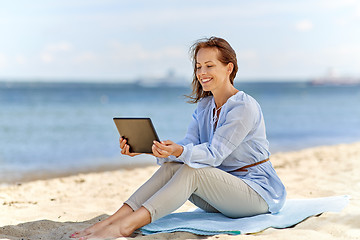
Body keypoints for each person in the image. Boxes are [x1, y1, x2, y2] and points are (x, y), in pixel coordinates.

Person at [70, 36, 286, 239]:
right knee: (173, 167)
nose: (202, 72)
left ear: (229, 68)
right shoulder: (204, 106)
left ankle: (126, 226)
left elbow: (214, 154)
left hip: (258, 194)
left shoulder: (243, 107)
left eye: (209, 66)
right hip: (224, 194)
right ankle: (111, 221)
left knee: (192, 170)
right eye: (199, 66)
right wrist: (154, 148)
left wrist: (179, 151)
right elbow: (188, 145)